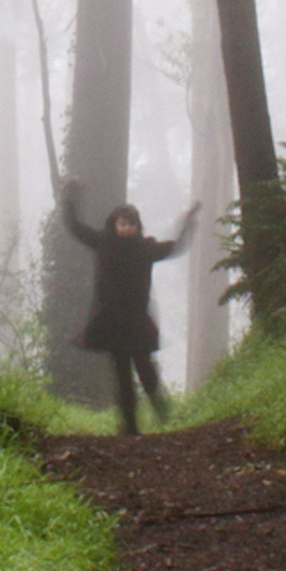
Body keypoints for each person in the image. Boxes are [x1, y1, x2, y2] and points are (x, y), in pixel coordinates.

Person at [61, 185, 198, 437]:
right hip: (111, 323)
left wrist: (189, 221)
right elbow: (76, 228)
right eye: (122, 224)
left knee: (147, 372)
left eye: (131, 224)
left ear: (137, 225)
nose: (126, 229)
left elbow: (175, 247)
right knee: (123, 376)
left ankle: (165, 418)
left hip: (136, 323)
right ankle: (129, 428)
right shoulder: (103, 243)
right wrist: (70, 199)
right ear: (114, 224)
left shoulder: (145, 248)